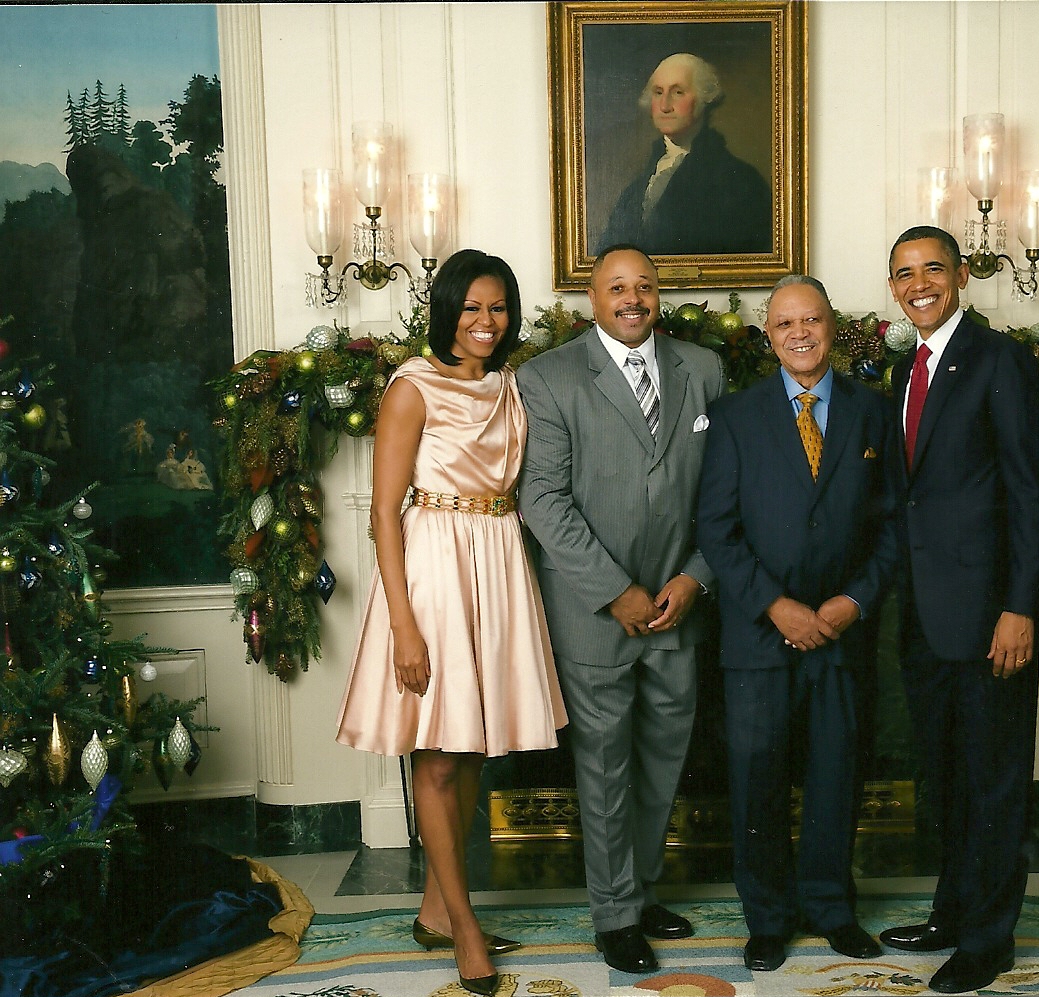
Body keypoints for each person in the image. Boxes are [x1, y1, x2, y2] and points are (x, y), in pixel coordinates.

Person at [335, 249, 568, 997]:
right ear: (446, 310)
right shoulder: (412, 386)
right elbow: (383, 512)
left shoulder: (511, 386)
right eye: (471, 307)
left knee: (470, 752)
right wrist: (404, 626)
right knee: (436, 757)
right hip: (433, 570)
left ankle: (437, 910)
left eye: (498, 308)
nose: (485, 321)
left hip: (498, 561)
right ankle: (465, 928)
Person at [516, 244, 725, 974]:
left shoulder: (703, 369)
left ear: (658, 293)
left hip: (678, 603)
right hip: (594, 608)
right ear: (592, 299)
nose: (632, 299)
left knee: (665, 755)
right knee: (605, 764)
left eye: (643, 286)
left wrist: (696, 577)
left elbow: (722, 491)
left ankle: (641, 891)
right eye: (616, 287)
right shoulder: (548, 377)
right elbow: (543, 499)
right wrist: (616, 591)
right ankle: (614, 915)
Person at [695, 275, 897, 972]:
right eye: (785, 324)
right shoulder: (734, 417)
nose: (800, 334)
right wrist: (775, 605)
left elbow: (893, 526)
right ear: (768, 336)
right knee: (757, 778)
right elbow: (716, 528)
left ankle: (832, 908)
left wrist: (853, 602)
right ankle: (768, 918)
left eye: (811, 320)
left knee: (837, 773)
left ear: (832, 327)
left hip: (842, 631)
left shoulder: (874, 412)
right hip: (759, 633)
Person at [877, 226, 1039, 994]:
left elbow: (1032, 491)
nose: (918, 283)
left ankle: (988, 940)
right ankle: (951, 914)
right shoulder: (905, 368)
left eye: (932, 269)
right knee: (947, 778)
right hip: (925, 616)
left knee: (992, 782)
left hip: (991, 618)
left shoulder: (999, 359)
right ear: (893, 287)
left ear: (960, 277)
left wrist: (1020, 607)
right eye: (904, 273)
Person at [597, 53, 772, 256]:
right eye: (658, 92)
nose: (664, 106)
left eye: (678, 92)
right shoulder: (635, 190)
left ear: (704, 99)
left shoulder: (741, 182)